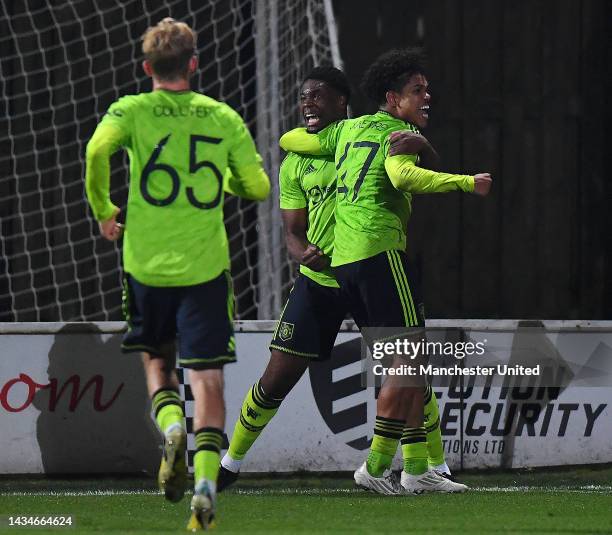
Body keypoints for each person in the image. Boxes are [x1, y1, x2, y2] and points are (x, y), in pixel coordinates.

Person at [218, 66, 460, 493]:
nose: (308, 103)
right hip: (319, 282)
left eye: (318, 96)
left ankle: (433, 467)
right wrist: (298, 250)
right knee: (276, 378)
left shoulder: (363, 136)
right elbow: (293, 230)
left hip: (365, 268)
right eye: (304, 97)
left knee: (406, 367)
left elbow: (409, 174)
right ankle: (230, 463)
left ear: (342, 103)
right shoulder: (296, 162)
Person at [84, 18, 270, 530]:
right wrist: (225, 175)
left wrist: (104, 209)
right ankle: (206, 489)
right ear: (193, 64)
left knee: (157, 365)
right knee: (207, 380)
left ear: (147, 67)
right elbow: (256, 187)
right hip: (205, 268)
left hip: (146, 265)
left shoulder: (131, 110)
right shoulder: (222, 116)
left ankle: (171, 428)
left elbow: (97, 150)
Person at [279, 48, 491, 495]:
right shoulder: (397, 134)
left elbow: (291, 141)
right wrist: (466, 182)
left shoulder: (349, 129)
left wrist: (425, 145)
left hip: (348, 262)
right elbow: (404, 178)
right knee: (408, 361)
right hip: (380, 254)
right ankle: (375, 468)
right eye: (418, 91)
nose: (427, 96)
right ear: (392, 98)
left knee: (406, 362)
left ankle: (417, 470)